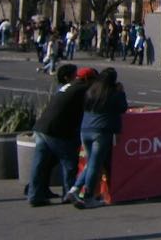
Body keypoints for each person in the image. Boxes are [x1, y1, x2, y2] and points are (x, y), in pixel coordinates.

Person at [27, 64, 91, 206]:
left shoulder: (67, 87)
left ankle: (34, 195)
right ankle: (69, 193)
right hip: (57, 131)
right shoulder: (82, 88)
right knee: (69, 162)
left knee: (40, 164)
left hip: (42, 127)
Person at [72, 67, 129, 208]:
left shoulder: (92, 90)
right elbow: (122, 108)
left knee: (91, 162)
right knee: (95, 165)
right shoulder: (113, 93)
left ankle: (75, 189)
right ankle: (88, 196)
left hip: (85, 129)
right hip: (101, 131)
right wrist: (121, 92)